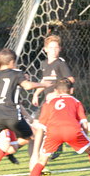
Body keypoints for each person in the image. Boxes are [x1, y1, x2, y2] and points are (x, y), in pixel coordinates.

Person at [0, 48, 45, 174]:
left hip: (2, 114)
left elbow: (13, 100)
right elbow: (26, 86)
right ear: (12, 62)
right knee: (7, 143)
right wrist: (44, 84)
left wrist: (29, 118)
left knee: (12, 146)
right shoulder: (15, 75)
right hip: (5, 114)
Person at [30, 35, 75, 166]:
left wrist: (56, 92)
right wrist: (36, 93)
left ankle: (42, 153)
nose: (53, 50)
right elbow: (45, 80)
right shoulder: (44, 63)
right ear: (45, 49)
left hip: (57, 100)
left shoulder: (60, 63)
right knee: (39, 125)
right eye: (51, 48)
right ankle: (48, 149)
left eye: (56, 48)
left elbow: (70, 80)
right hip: (47, 100)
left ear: (60, 49)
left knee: (41, 125)